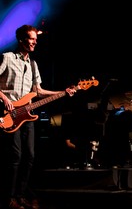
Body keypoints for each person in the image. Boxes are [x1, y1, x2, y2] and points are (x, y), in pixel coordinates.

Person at [0, 24, 76, 209]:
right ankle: (9, 198)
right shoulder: (7, 58)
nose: (35, 41)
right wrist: (3, 98)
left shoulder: (33, 65)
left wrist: (63, 92)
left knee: (30, 156)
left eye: (35, 38)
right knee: (15, 156)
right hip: (9, 114)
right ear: (21, 40)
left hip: (26, 116)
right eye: (32, 38)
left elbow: (38, 91)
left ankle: (20, 195)